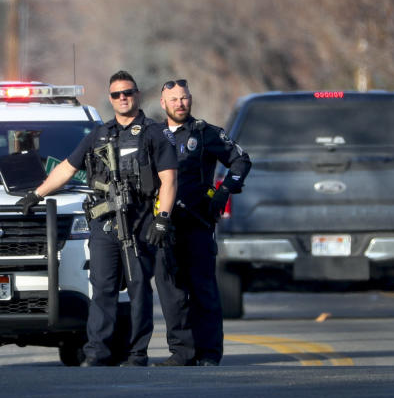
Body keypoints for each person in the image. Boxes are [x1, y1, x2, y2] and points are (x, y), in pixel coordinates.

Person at [16, 70, 192, 367]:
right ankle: (98, 352)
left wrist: (162, 217)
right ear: (110, 99)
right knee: (103, 289)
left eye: (128, 92)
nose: (123, 98)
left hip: (140, 222)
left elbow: (169, 180)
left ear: (137, 95)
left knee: (138, 288)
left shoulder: (153, 133)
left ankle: (136, 354)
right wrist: (36, 195)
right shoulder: (99, 134)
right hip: (105, 223)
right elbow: (67, 169)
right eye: (116, 94)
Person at [158, 78, 251, 366]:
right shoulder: (153, 136)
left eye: (184, 98)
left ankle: (209, 354)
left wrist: (224, 191)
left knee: (203, 291)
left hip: (197, 223)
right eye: (174, 99)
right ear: (163, 103)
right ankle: (182, 352)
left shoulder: (206, 133)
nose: (180, 103)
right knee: (171, 291)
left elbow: (241, 161)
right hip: (163, 226)